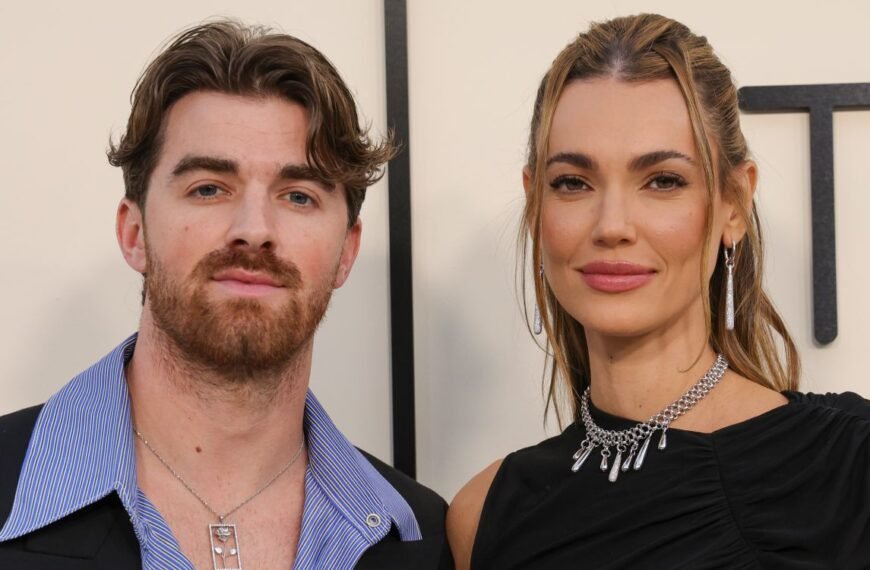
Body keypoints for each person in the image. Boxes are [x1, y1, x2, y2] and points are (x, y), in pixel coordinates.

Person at [0, 20, 451, 570]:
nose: (254, 228)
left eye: (299, 196)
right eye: (209, 188)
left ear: (346, 252)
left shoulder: (423, 539)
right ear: (134, 234)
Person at [447, 13, 870, 569]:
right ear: (536, 204)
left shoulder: (851, 466)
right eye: (573, 182)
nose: (612, 224)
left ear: (733, 204)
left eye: (663, 181)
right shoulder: (485, 515)